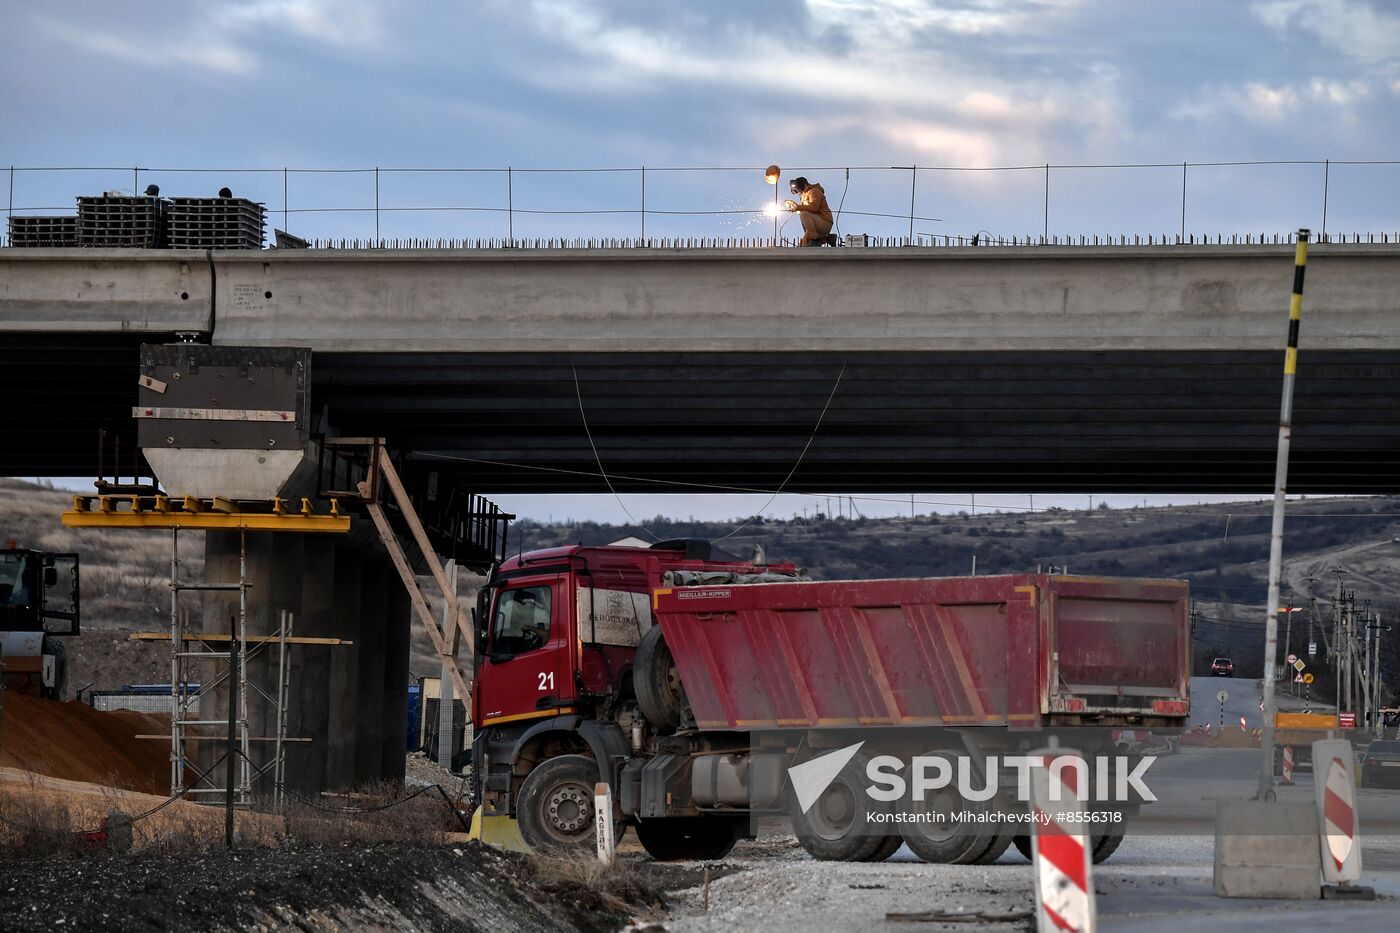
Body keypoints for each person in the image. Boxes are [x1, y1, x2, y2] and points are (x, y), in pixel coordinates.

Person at [784, 177, 836, 246]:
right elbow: (806, 211)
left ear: (804, 186)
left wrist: (798, 207)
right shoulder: (804, 196)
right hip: (815, 223)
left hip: (825, 221)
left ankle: (815, 240)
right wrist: (794, 207)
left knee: (803, 214)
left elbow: (814, 207)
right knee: (803, 244)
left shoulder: (814, 191)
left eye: (798, 190)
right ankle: (828, 239)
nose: (799, 193)